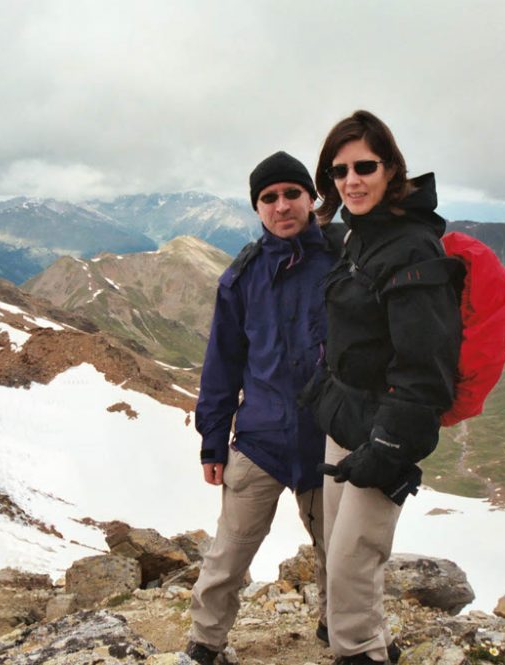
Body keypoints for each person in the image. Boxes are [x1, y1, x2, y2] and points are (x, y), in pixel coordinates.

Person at [307, 110, 463, 665]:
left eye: (364, 166)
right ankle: (366, 645)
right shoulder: (359, 237)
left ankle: (361, 655)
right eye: (339, 170)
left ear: (392, 168)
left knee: (353, 559)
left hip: (383, 433)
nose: (351, 181)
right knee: (340, 553)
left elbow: (426, 371)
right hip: (344, 421)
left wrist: (390, 448)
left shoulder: (413, 249)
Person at [187, 151, 337, 664]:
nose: (281, 205)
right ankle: (205, 645)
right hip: (260, 439)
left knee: (339, 553)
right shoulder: (241, 276)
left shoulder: (344, 260)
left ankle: (338, 633)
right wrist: (212, 439)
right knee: (228, 554)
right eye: (268, 198)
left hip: (330, 437)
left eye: (291, 193)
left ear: (311, 198)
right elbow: (222, 364)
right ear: (257, 208)